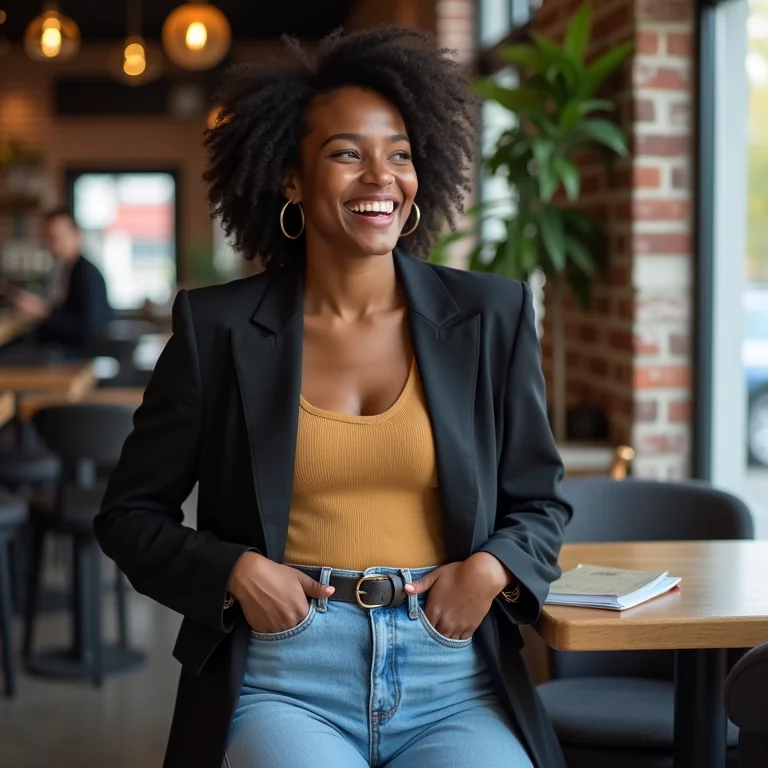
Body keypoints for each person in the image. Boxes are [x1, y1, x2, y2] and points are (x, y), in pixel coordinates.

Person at [94, 27, 572, 768]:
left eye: (400, 154)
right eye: (348, 153)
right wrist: (233, 571)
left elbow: (540, 502)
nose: (381, 176)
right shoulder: (217, 329)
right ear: (290, 178)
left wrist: (489, 571)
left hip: (452, 676)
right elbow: (129, 517)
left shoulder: (490, 317)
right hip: (284, 677)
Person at [5, 207, 113, 358]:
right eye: (49, 238)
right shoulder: (66, 269)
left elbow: (88, 330)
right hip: (63, 347)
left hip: (77, 354)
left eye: (59, 237)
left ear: (77, 236)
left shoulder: (86, 274)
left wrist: (41, 311)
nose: (54, 244)